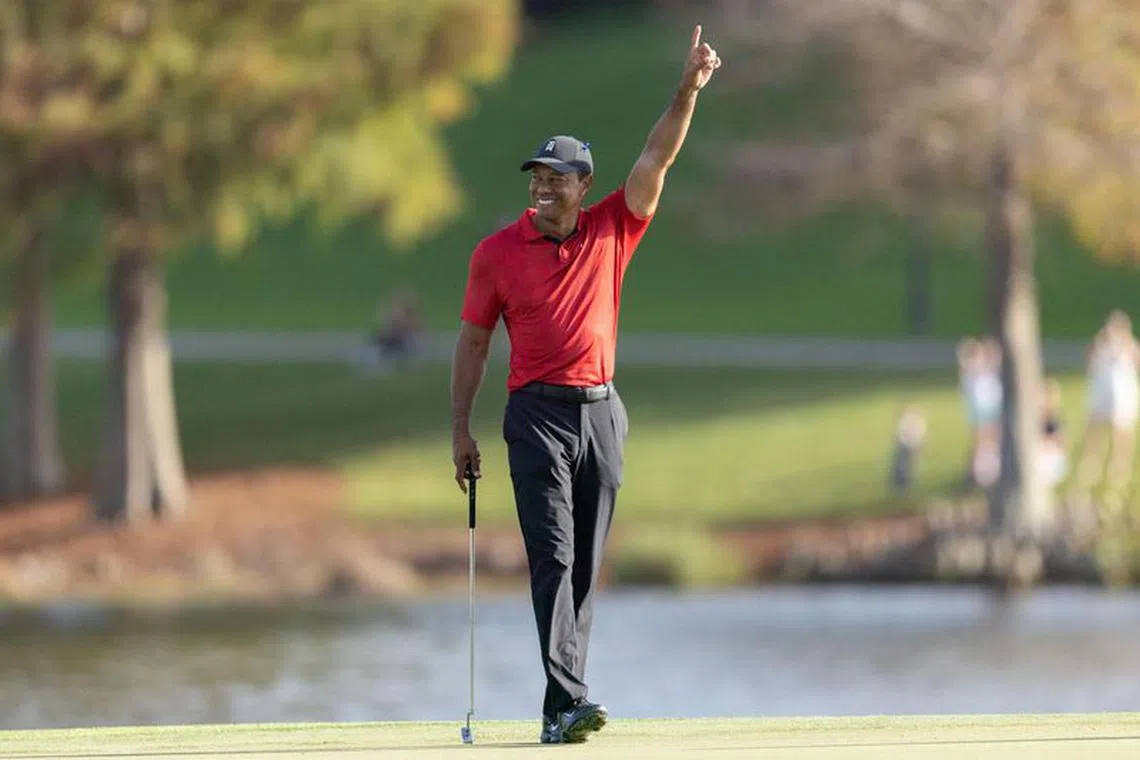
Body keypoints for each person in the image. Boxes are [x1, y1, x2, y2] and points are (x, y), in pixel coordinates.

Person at [449, 25, 721, 745]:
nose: (541, 188)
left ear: (583, 185)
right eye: (535, 178)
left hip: (603, 414)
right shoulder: (496, 254)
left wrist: (686, 90)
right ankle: (570, 699)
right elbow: (474, 341)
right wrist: (459, 430)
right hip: (534, 413)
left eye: (555, 178)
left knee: (585, 569)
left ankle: (556, 712)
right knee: (555, 554)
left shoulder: (613, 228)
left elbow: (657, 154)